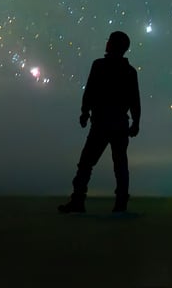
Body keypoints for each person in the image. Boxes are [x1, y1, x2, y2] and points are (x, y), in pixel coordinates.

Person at [58, 30, 139, 214]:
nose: (107, 43)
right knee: (120, 165)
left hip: (102, 122)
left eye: (109, 41)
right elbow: (135, 100)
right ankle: (120, 204)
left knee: (86, 163)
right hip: (119, 123)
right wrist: (135, 122)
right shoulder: (129, 71)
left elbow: (91, 91)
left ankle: (78, 201)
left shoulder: (99, 66)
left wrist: (85, 112)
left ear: (113, 45)